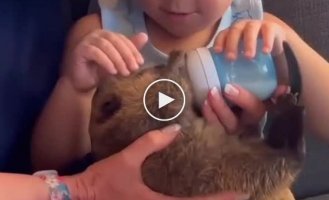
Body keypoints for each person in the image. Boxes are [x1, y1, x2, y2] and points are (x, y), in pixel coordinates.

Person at [29, 0, 329, 199]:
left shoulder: (262, 36)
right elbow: (51, 165)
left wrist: (286, 61)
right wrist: (74, 89)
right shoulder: (102, 36)